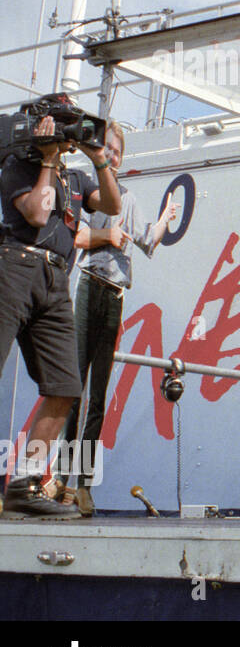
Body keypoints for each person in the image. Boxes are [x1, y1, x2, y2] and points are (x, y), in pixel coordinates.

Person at [1, 98, 120, 519]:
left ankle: (25, 483)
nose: (70, 131)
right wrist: (47, 159)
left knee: (65, 386)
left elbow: (113, 206)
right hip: (14, 264)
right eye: (62, 123)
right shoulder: (18, 164)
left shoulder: (78, 175)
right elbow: (36, 213)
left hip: (56, 278)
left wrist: (100, 159)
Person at [55, 120, 176, 517]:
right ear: (97, 151)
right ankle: (60, 481)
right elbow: (76, 237)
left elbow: (145, 240)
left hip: (116, 294)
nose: (113, 156)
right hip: (88, 286)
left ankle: (84, 485)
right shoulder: (84, 192)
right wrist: (107, 237)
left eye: (118, 151)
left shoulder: (129, 196)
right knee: (73, 390)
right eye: (107, 149)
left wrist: (165, 219)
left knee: (98, 399)